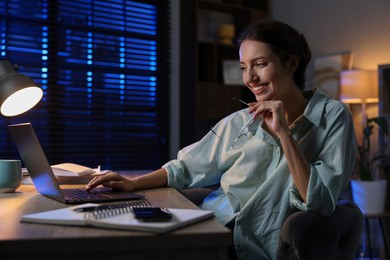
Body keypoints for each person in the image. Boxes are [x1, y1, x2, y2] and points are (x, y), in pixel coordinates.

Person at [86, 19, 357, 259]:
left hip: (258, 245)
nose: (250, 78)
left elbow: (319, 201)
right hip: (209, 228)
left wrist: (284, 132)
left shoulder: (332, 116)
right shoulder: (239, 121)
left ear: (292, 62)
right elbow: (185, 168)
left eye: (260, 64)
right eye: (243, 67)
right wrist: (133, 183)